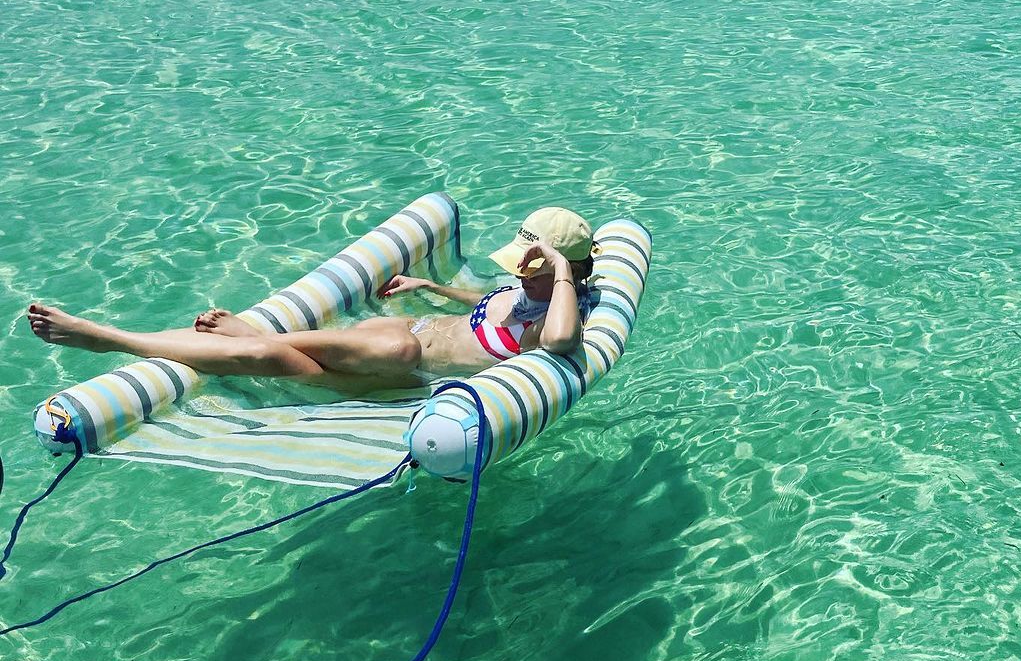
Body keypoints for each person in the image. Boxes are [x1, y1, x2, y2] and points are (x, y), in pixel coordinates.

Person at [27, 207, 599, 394]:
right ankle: (249, 339)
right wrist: (431, 288)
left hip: (399, 366)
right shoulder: (524, 290)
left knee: (270, 355)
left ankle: (110, 339)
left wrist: (559, 274)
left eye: (534, 267)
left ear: (564, 270)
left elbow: (559, 341)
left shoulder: (557, 310)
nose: (520, 274)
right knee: (287, 358)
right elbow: (485, 298)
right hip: (397, 342)